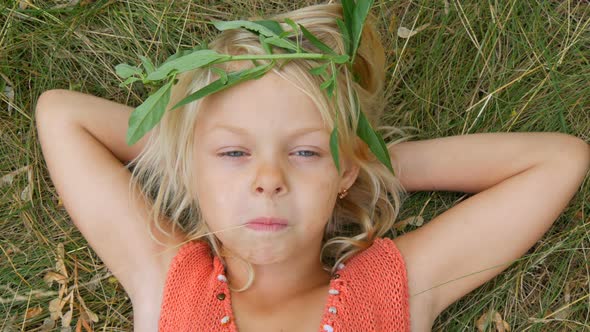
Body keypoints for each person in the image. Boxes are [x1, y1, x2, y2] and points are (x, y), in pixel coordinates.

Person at [34, 2, 590, 332]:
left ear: (341, 172)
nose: (269, 178)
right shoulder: (168, 283)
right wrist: (187, 146)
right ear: (191, 168)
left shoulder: (393, 289)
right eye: (234, 153)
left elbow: (558, 160)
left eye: (304, 153)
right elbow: (61, 116)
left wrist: (366, 162)